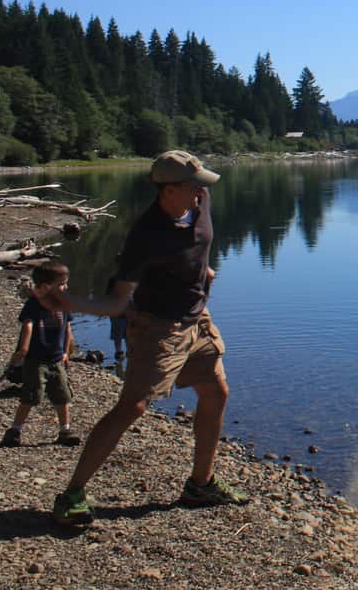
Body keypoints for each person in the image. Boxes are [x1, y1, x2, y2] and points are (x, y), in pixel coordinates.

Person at [51, 150, 246, 526]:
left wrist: (203, 270)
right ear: (168, 190)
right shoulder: (147, 235)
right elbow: (118, 302)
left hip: (197, 319)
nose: (202, 191)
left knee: (216, 391)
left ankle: (200, 484)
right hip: (158, 327)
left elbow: (198, 243)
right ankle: (72, 493)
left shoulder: (200, 202)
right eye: (194, 186)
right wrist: (67, 302)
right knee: (132, 407)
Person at [2, 260, 82, 448]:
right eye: (62, 284)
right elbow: (28, 326)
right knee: (31, 396)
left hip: (56, 359)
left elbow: (68, 328)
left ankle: (65, 430)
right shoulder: (34, 305)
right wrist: (23, 350)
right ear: (46, 286)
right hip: (36, 360)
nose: (66, 287)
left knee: (63, 396)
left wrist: (65, 352)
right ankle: (15, 429)